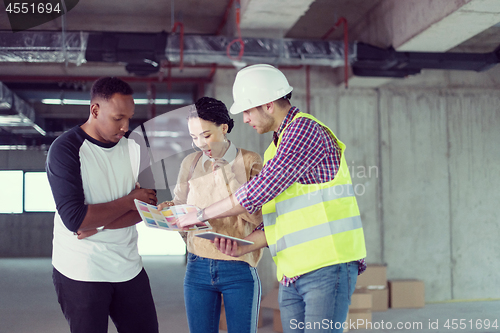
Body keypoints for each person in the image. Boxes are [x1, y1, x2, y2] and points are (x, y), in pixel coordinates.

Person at [175, 64, 367, 333]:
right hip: (293, 269)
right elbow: (281, 215)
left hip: (327, 264)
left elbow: (257, 193)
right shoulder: (275, 149)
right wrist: (246, 245)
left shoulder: (304, 131)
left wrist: (200, 214)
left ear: (267, 105)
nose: (243, 119)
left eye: (247, 110)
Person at [46, 77, 159, 333]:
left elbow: (148, 209)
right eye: (118, 118)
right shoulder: (65, 149)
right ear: (95, 110)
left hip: (128, 266)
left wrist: (98, 226)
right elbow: (75, 219)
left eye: (129, 118)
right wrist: (130, 200)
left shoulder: (136, 146)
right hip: (81, 269)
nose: (125, 126)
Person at [157, 97, 264, 333]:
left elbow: (259, 218)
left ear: (223, 128)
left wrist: (228, 176)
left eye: (205, 136)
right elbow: (180, 205)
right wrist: (169, 210)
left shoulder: (250, 160)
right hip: (197, 265)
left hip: (238, 265)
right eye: (194, 138)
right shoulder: (191, 162)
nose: (200, 144)